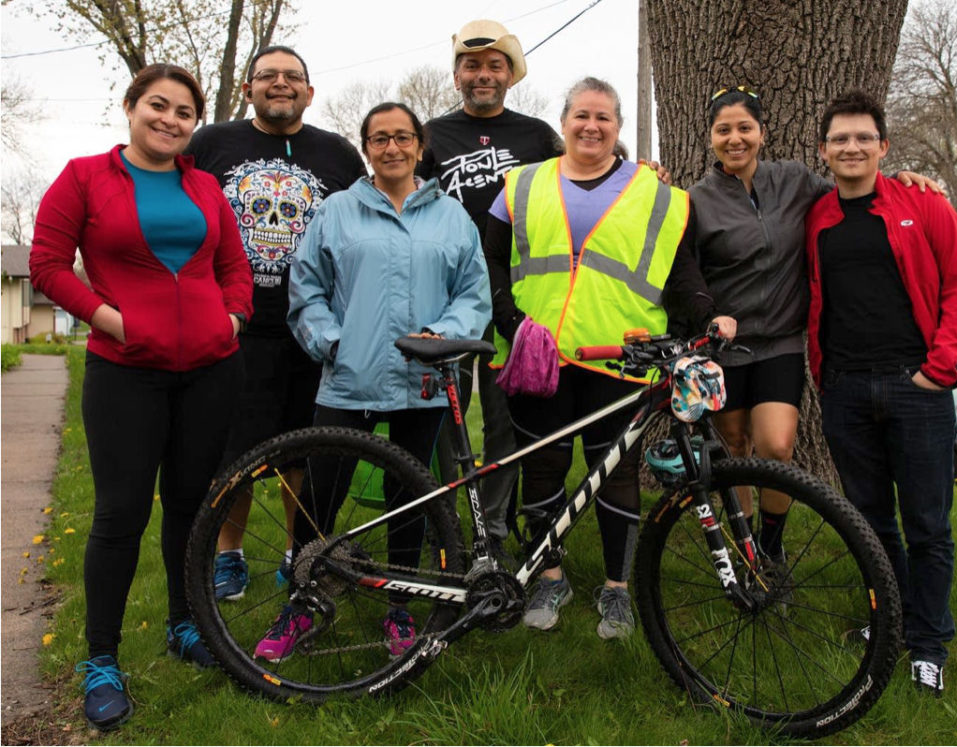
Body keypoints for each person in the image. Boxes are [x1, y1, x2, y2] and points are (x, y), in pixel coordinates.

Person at [29, 64, 252, 730]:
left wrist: (233, 319)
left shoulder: (205, 186)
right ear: (130, 107)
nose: (170, 120)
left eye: (185, 112)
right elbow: (46, 263)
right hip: (125, 371)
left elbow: (234, 267)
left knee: (190, 503)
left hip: (211, 369)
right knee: (121, 513)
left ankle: (184, 625)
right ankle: (101, 658)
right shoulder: (83, 177)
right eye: (158, 105)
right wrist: (111, 321)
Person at [485, 77, 725, 639]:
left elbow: (681, 272)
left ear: (618, 129)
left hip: (621, 357)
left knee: (614, 476)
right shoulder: (519, 185)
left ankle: (617, 588)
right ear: (563, 121)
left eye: (604, 118)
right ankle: (548, 575)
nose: (591, 126)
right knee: (542, 471)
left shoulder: (661, 194)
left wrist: (707, 313)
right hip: (537, 356)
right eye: (581, 115)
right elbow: (491, 261)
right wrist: (512, 323)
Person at [251, 102, 490, 662]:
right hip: (348, 379)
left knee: (409, 497)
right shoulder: (337, 211)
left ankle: (402, 607)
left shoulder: (451, 217)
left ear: (419, 145)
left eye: (402, 137)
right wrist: (331, 343)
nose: (391, 148)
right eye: (379, 138)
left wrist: (441, 334)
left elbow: (473, 293)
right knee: (320, 495)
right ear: (366, 148)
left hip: (423, 381)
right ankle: (304, 600)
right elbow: (306, 288)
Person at [687, 86, 938, 568]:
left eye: (745, 128)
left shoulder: (796, 180)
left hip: (781, 339)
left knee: (776, 447)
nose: (735, 138)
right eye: (724, 130)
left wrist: (903, 181)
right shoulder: (696, 200)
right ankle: (746, 557)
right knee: (734, 449)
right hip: (724, 348)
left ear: (762, 132)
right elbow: (687, 272)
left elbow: (859, 194)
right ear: (710, 137)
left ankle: (772, 543)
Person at [806, 90, 957, 696]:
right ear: (824, 150)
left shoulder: (923, 203)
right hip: (845, 391)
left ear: (883, 146)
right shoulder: (817, 215)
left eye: (863, 138)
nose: (851, 147)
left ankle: (929, 642)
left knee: (928, 526)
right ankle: (890, 621)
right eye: (839, 139)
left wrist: (938, 369)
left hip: (917, 389)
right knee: (871, 521)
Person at [185, 45, 366, 601]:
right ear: (248, 90)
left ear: (310, 92)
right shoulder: (210, 144)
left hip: (313, 329)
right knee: (233, 450)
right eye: (268, 76)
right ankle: (229, 556)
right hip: (234, 325)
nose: (280, 84)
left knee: (303, 449)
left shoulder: (337, 154)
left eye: (293, 77)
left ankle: (299, 553)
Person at [418, 20, 564, 558]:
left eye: (494, 65)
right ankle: (440, 525)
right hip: (447, 296)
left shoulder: (538, 136)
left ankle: (495, 532)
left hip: (514, 295)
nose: (483, 74)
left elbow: (581, 179)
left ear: (511, 75)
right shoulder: (430, 135)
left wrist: (642, 172)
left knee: (507, 422)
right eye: (472, 65)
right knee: (435, 418)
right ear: (457, 75)